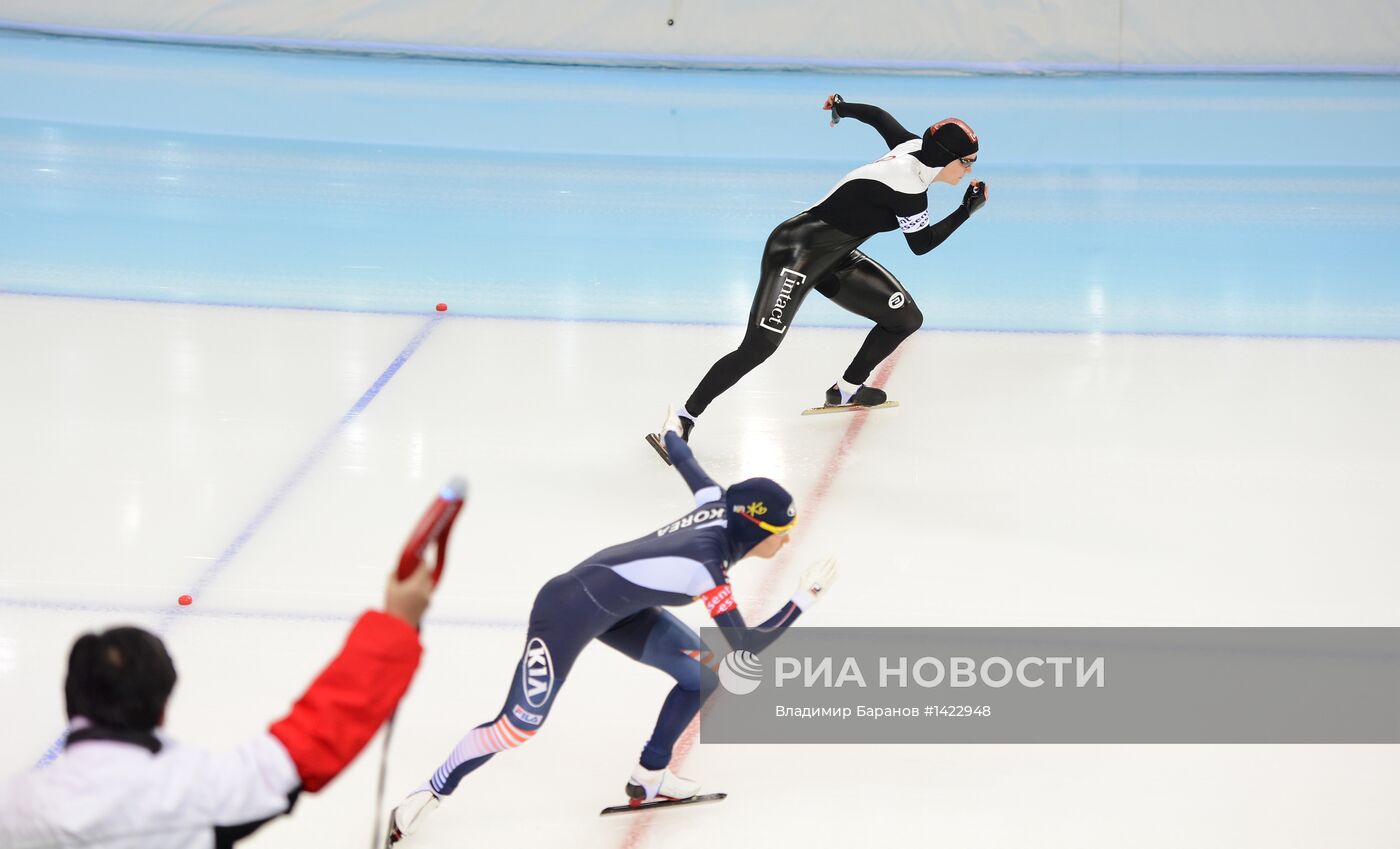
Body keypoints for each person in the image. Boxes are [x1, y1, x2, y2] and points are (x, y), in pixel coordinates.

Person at [386, 416, 838, 845]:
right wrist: (803, 598)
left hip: (623, 611)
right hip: (565, 610)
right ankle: (431, 790)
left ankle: (650, 776)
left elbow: (684, 460)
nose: (788, 541)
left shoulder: (715, 502)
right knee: (517, 727)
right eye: (784, 531)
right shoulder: (707, 568)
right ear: (755, 530)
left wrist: (671, 432)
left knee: (703, 675)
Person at [0, 561, 440, 849]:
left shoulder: (14, 808)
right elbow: (309, 742)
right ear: (162, 707)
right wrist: (396, 623)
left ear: (71, 699)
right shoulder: (190, 793)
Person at [653, 93, 987, 457]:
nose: (968, 169)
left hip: (836, 256)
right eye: (966, 162)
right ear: (944, 157)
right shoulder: (909, 189)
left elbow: (878, 116)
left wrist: (842, 108)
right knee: (758, 347)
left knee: (904, 318)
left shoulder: (912, 146)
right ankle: (683, 419)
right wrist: (965, 211)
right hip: (795, 253)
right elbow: (921, 245)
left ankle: (845, 390)